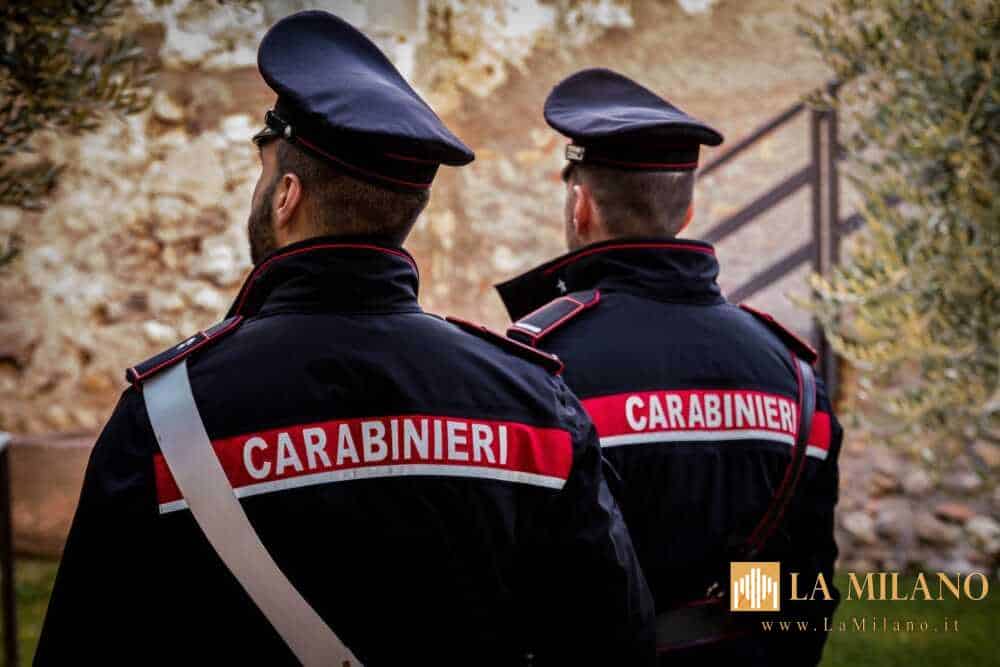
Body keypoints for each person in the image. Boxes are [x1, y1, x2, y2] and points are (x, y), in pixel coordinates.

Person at [36, 19, 654, 666]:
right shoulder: (533, 403)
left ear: (286, 196)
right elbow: (613, 642)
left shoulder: (167, 416)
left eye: (264, 176)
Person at [495, 68, 842, 666]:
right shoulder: (792, 373)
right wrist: (726, 624)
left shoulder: (536, 367)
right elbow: (802, 587)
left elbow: (513, 577)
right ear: (687, 212)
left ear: (581, 206)